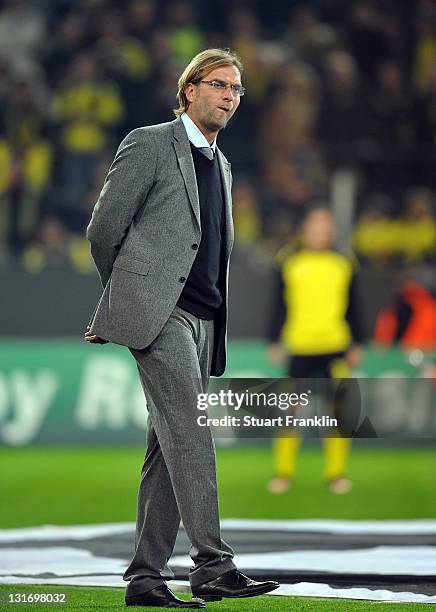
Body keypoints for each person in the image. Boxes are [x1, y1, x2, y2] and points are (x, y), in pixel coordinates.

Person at [85, 48, 279, 608]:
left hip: (203, 322)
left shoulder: (222, 165)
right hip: (161, 316)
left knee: (166, 447)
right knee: (193, 432)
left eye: (237, 89)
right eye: (219, 84)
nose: (230, 96)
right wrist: (130, 297)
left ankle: (146, 578)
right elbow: (103, 230)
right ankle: (213, 565)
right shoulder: (149, 143)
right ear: (188, 89)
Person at [267, 207, 363, 495]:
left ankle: (336, 475)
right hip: (300, 347)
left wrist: (357, 342)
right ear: (305, 229)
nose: (320, 232)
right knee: (289, 414)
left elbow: (354, 305)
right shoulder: (288, 260)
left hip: (335, 346)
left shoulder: (344, 261)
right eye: (315, 226)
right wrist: (274, 339)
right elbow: (277, 304)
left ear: (331, 231)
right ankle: (283, 474)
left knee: (337, 415)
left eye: (325, 227)